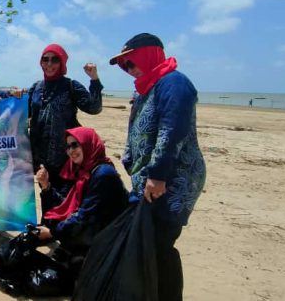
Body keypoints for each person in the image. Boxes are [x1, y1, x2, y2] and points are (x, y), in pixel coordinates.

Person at [109, 32, 206, 301]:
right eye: (124, 66)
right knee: (147, 243)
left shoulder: (174, 83)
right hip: (150, 179)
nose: (129, 70)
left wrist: (158, 176)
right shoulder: (147, 86)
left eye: (131, 62)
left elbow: (172, 131)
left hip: (172, 180)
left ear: (148, 54)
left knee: (160, 245)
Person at [35, 127, 128, 275]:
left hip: (110, 237)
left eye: (75, 145)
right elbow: (67, 205)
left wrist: (52, 233)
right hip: (95, 229)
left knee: (76, 266)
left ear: (87, 144)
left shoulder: (103, 174)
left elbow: (84, 216)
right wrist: (46, 186)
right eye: (68, 147)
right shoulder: (84, 170)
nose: (70, 151)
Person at [28, 44, 103, 201]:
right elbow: (23, 115)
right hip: (41, 159)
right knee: (47, 196)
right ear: (40, 62)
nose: (49, 64)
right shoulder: (35, 88)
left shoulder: (70, 86)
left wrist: (94, 79)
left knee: (67, 201)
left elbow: (94, 108)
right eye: (45, 59)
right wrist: (10, 98)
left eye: (54, 60)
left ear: (62, 63)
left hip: (68, 157)